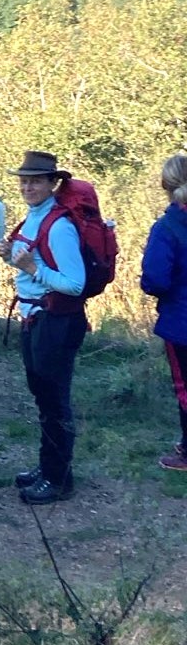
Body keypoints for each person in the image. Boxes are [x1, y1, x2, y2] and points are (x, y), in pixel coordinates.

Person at [0, 150, 87, 505]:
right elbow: (31, 263)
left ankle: (58, 477)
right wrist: (13, 258)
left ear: (54, 183)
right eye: (24, 179)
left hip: (56, 323)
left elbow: (75, 284)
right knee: (44, 398)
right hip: (37, 319)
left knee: (54, 401)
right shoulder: (34, 219)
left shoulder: (59, 225)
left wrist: (35, 271)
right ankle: (48, 467)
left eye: (36, 180)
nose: (28, 186)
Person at [141, 154, 187, 472]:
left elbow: (156, 279)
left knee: (185, 386)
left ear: (165, 186)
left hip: (181, 321)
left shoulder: (168, 226)